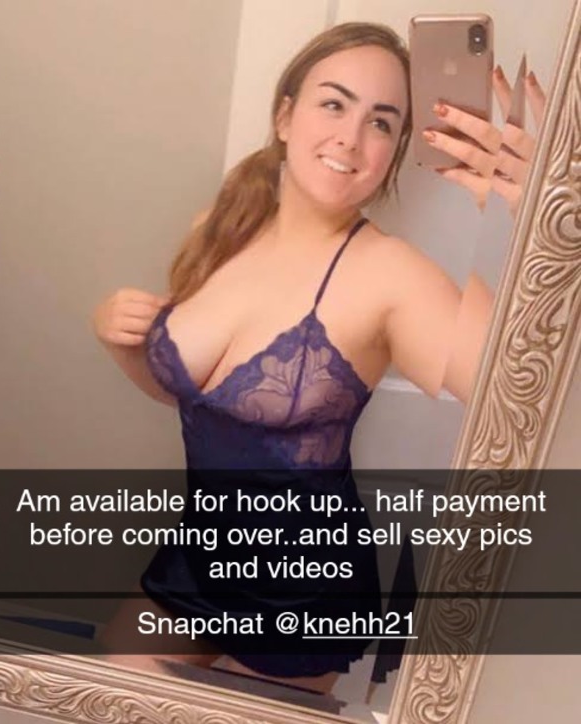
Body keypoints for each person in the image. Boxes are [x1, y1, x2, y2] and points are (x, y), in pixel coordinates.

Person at [92, 22, 545, 694]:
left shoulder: (392, 276)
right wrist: (121, 345)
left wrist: (537, 226)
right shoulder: (223, 227)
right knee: (100, 697)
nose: (351, 138)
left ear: (395, 151)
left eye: (381, 122)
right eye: (334, 104)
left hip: (303, 595)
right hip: (198, 558)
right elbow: (199, 400)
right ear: (285, 116)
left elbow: (519, 398)